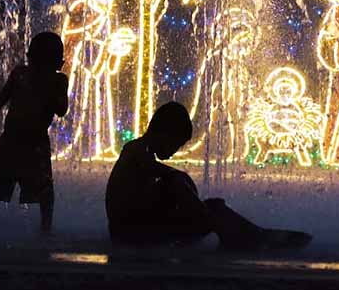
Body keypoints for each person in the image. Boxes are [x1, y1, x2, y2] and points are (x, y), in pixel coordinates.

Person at [106, 101, 312, 251]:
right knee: (204, 204)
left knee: (210, 206)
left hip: (137, 229)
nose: (174, 152)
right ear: (164, 133)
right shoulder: (135, 150)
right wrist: (180, 179)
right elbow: (161, 175)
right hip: (132, 234)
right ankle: (244, 235)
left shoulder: (142, 151)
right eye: (175, 144)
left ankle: (242, 232)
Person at [0, 32, 69, 235]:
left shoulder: (57, 81)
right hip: (15, 140)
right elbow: (0, 99)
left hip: (30, 142)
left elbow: (61, 109)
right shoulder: (22, 75)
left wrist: (47, 87)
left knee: (43, 189)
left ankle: (45, 230)